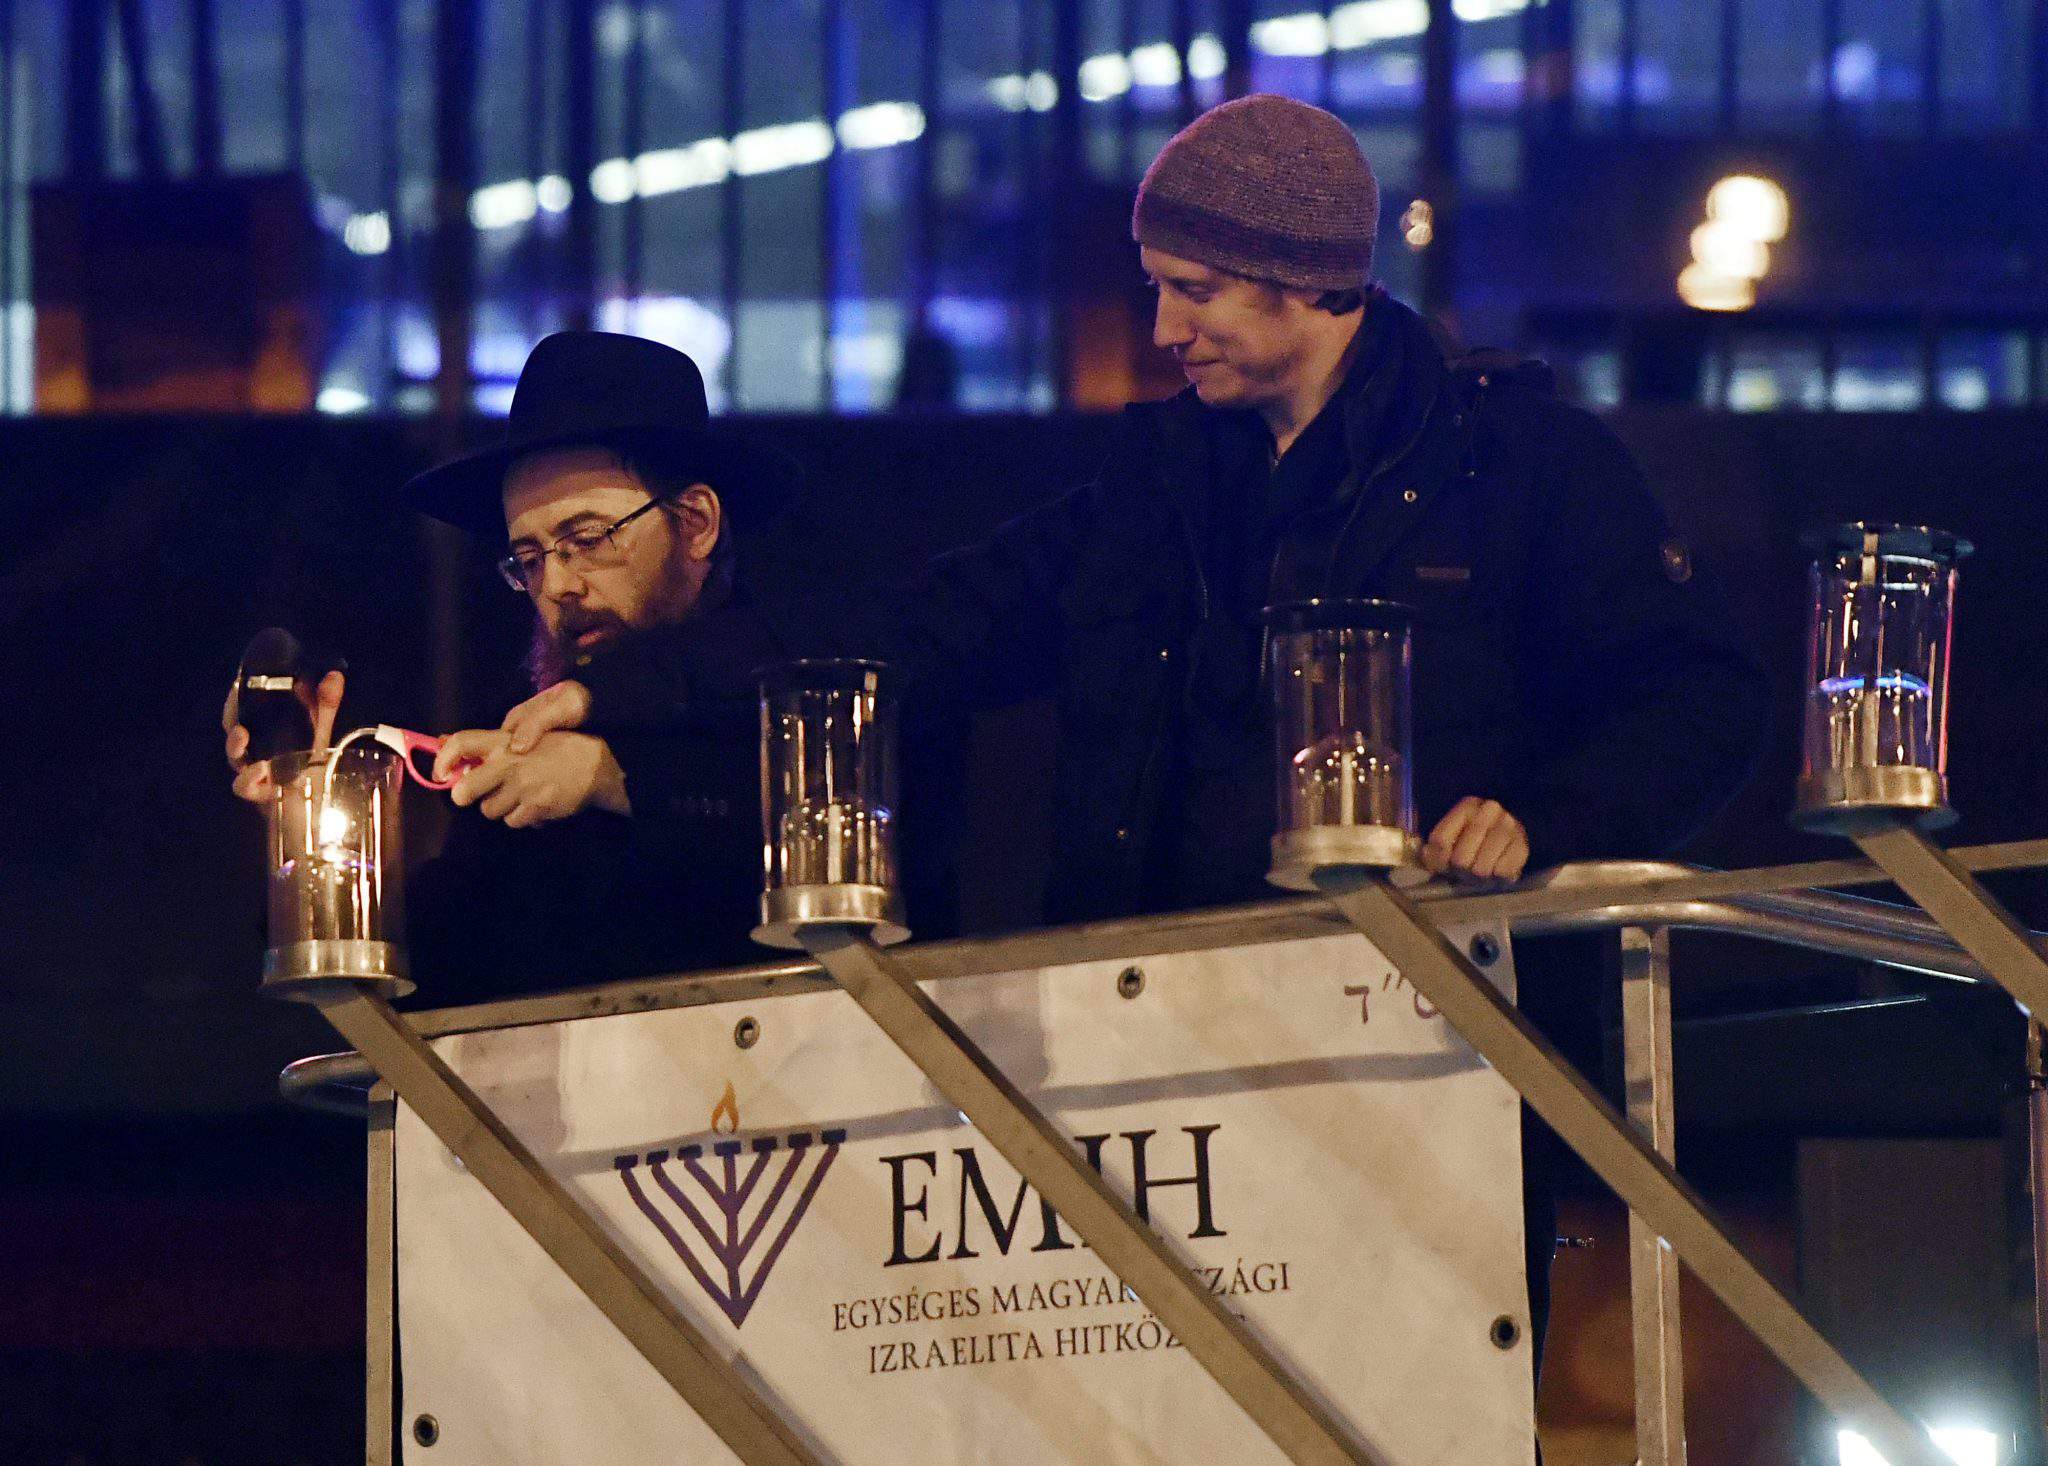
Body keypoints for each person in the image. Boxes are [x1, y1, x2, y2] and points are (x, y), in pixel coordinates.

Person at [505, 96, 1770, 1360]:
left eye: (1195, 289)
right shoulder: (1155, 480)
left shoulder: (1523, 465)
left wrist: (1543, 815)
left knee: (1419, 1399)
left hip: (1428, 1074)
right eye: (1156, 285)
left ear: (1309, 279)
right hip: (1160, 1076)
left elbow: (1702, 695)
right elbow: (923, 631)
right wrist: (624, 704)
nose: (1163, 328)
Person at [225, 332, 792, 1002]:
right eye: (529, 559)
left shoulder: (800, 684)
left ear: (695, 523)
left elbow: (807, 826)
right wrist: (304, 826)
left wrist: (614, 777)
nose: (557, 586)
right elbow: (430, 975)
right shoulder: (517, 727)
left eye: (588, 539)